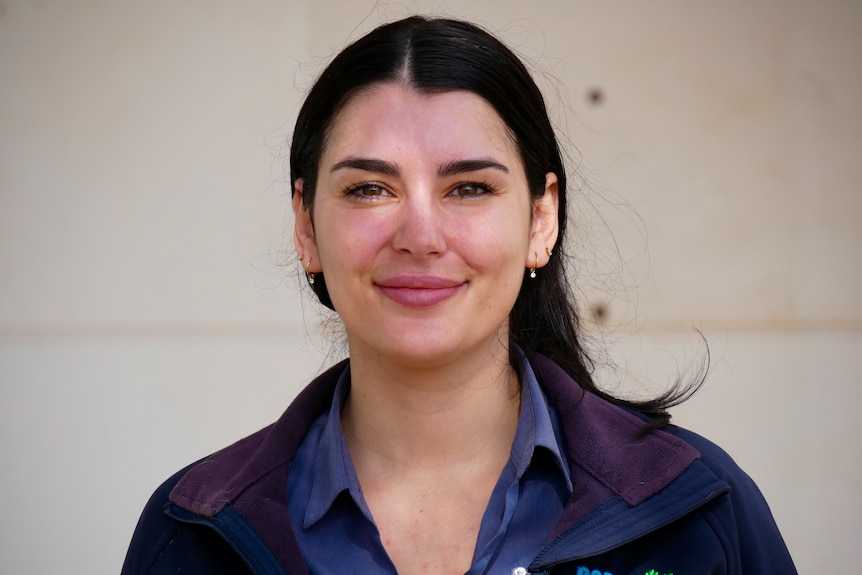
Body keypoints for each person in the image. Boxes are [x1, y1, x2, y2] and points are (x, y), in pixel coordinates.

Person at [121, 16, 797, 575]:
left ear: (541, 220)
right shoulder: (189, 536)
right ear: (306, 225)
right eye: (369, 189)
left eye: (469, 188)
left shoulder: (702, 512)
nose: (419, 234)